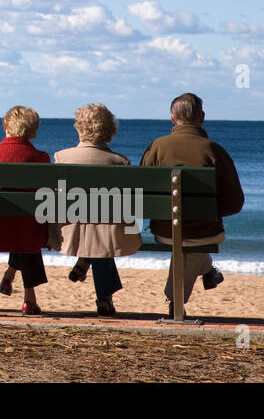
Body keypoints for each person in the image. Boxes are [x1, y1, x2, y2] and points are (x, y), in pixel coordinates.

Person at [140, 92, 245, 313]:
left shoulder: (156, 147)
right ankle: (175, 302)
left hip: (164, 230)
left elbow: (141, 193)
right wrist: (211, 212)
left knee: (184, 239)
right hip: (204, 232)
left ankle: (207, 273)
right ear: (202, 118)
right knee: (194, 240)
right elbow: (235, 203)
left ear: (172, 119)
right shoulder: (214, 150)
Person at [53, 104, 142, 317]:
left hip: (70, 232)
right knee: (102, 233)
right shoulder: (120, 162)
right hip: (108, 233)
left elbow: (54, 201)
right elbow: (130, 206)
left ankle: (85, 261)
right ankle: (104, 297)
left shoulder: (61, 157)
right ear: (111, 131)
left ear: (78, 128)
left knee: (96, 231)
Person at [0, 106, 51, 314]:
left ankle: (10, 275)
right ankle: (29, 298)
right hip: (29, 229)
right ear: (34, 131)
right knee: (26, 227)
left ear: (6, 128)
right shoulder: (41, 157)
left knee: (19, 223)